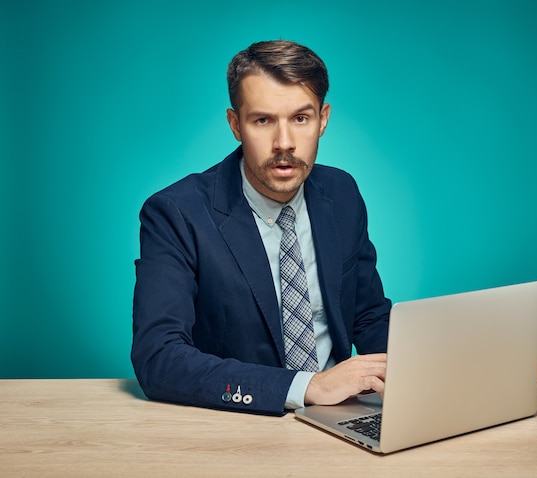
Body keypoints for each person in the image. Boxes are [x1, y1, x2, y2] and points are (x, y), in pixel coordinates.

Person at [131, 40, 391, 416]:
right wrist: (307, 387)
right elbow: (159, 358)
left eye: (300, 118)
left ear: (323, 119)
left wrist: (419, 372)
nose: (283, 143)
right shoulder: (176, 214)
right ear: (236, 125)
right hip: (238, 425)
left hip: (343, 416)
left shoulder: (343, 193)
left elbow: (367, 316)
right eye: (263, 120)